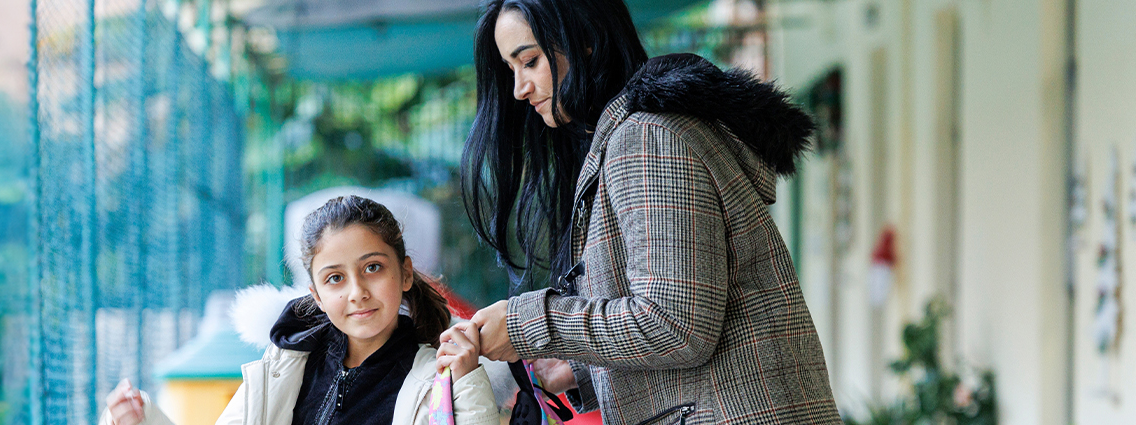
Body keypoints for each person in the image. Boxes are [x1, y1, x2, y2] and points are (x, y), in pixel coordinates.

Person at [460, 0, 842, 423]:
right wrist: (576, 365)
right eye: (511, 69)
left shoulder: (644, 140)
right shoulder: (637, 136)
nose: (519, 88)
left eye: (529, 61)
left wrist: (528, 322)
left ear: (585, 41)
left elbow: (676, 324)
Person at [102, 195, 501, 425]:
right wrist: (142, 421)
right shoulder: (285, 364)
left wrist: (466, 380)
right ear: (316, 294)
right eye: (335, 279)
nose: (357, 292)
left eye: (373, 268)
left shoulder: (441, 374)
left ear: (406, 273)